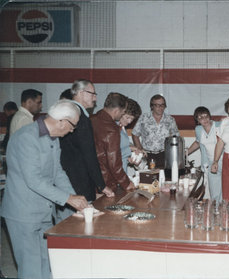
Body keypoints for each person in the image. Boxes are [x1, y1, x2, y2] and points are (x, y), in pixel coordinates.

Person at [1, 100, 89, 279]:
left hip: (44, 212)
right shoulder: (27, 137)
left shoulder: (52, 138)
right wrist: (68, 198)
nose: (72, 130)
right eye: (73, 126)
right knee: (31, 269)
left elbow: (58, 173)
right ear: (62, 121)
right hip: (23, 214)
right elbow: (33, 180)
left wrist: (74, 197)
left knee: (47, 264)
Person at [60, 79, 114, 208]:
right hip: (78, 182)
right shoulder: (80, 117)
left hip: (65, 180)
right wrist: (101, 185)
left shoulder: (66, 111)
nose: (95, 98)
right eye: (92, 94)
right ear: (80, 92)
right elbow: (89, 154)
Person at [91, 93, 136, 192]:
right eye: (123, 112)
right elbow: (113, 162)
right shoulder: (112, 129)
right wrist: (127, 183)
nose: (122, 115)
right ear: (116, 111)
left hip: (92, 178)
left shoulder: (92, 119)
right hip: (107, 181)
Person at [132, 94, 179, 168]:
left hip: (164, 155)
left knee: (164, 177)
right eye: (157, 105)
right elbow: (135, 134)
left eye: (162, 105)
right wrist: (140, 150)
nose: (160, 108)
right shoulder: (143, 118)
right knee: (146, 177)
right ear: (152, 106)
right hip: (147, 154)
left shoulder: (170, 120)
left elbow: (175, 137)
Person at [187, 106, 222, 202]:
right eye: (200, 117)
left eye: (206, 116)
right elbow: (198, 142)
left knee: (226, 190)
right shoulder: (198, 129)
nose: (204, 119)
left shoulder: (219, 125)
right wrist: (185, 153)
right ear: (197, 120)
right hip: (210, 163)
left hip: (224, 161)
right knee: (214, 191)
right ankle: (216, 211)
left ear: (210, 116)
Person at [118, 98, 142, 173]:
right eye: (127, 117)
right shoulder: (112, 128)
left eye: (132, 119)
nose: (129, 121)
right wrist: (130, 149)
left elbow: (121, 150)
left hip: (122, 171)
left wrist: (129, 158)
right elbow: (110, 153)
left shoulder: (122, 128)